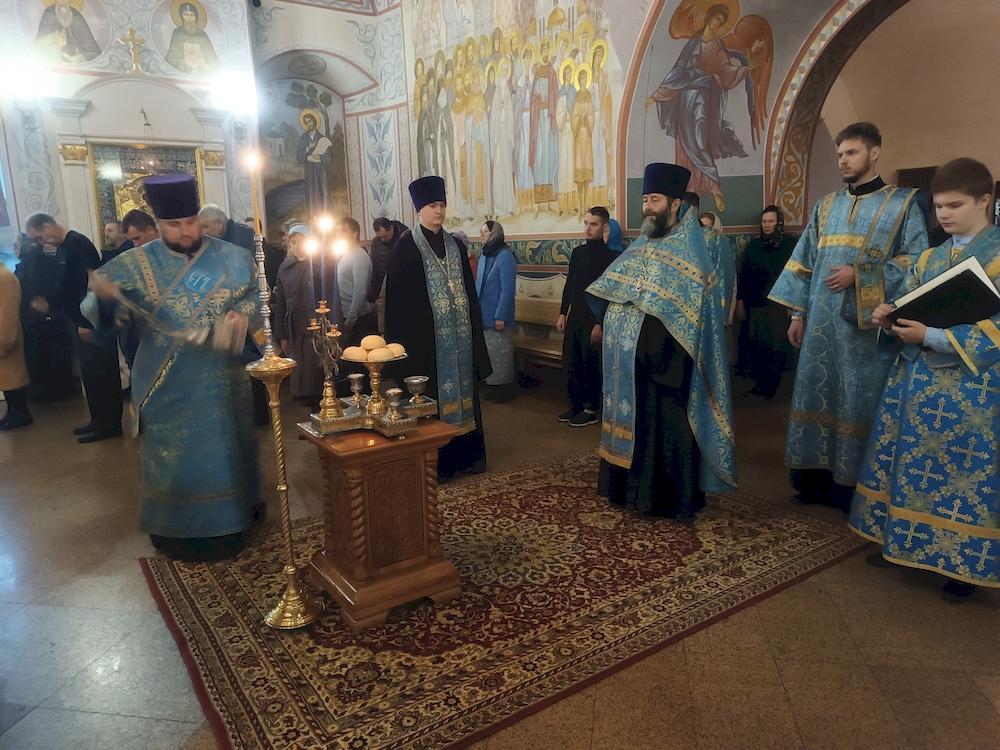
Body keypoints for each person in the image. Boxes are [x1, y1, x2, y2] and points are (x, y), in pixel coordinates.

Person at [90, 174, 263, 560]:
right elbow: (103, 319)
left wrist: (242, 315)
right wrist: (104, 301)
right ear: (157, 224)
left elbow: (257, 294)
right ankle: (176, 532)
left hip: (224, 382)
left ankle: (234, 522)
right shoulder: (132, 264)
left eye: (190, 222)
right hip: (166, 384)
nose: (185, 231)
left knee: (228, 453)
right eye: (173, 225)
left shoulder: (234, 258)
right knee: (174, 462)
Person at [852, 157, 1000, 601]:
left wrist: (934, 336)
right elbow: (909, 303)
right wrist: (889, 316)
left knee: (960, 476)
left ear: (984, 201)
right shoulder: (930, 257)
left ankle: (961, 564)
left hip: (972, 390)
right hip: (914, 383)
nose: (944, 215)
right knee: (907, 466)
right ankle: (901, 541)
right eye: (938, 207)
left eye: (955, 205)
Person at [768, 122, 928, 512]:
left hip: (865, 330)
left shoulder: (903, 203)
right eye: (839, 154)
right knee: (815, 395)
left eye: (851, 153)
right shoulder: (826, 206)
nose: (843, 160)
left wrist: (861, 275)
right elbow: (803, 262)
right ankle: (813, 480)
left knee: (858, 400)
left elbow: (916, 262)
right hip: (820, 327)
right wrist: (797, 313)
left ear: (874, 153)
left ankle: (852, 487)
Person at [588, 163, 736, 518]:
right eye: (645, 200)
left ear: (675, 204)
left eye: (654, 200)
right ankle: (626, 491)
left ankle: (665, 499)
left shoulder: (693, 251)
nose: (648, 207)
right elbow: (615, 288)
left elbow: (695, 309)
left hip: (668, 361)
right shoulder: (640, 246)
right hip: (631, 360)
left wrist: (654, 342)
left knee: (664, 426)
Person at [385, 176, 492, 478]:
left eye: (442, 205)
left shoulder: (456, 245)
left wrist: (476, 338)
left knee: (467, 399)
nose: (439, 211)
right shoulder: (405, 248)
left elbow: (470, 295)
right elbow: (397, 305)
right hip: (426, 345)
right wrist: (400, 351)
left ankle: (469, 460)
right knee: (430, 401)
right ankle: (439, 466)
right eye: (433, 205)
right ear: (419, 209)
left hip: (461, 343)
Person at [25, 213, 123, 443]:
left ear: (47, 227)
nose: (40, 243)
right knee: (90, 375)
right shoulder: (63, 248)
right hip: (77, 322)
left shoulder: (78, 244)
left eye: (39, 237)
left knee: (102, 373)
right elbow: (65, 285)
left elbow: (92, 286)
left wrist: (87, 323)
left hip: (91, 323)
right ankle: (97, 419)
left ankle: (109, 424)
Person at [557, 206, 617, 426]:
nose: (588, 228)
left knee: (590, 362)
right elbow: (570, 284)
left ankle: (591, 408)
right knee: (572, 359)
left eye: (594, 224)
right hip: (576, 314)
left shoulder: (611, 257)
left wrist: (600, 323)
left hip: (594, 318)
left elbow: (608, 294)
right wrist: (562, 312)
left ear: (604, 227)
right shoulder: (578, 253)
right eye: (586, 223)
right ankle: (575, 404)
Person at [736, 206, 796, 399]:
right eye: (764, 221)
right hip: (756, 305)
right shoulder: (754, 246)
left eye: (771, 221)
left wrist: (793, 304)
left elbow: (795, 276)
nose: (767, 225)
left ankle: (775, 388)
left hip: (779, 306)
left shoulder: (789, 245)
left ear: (779, 223)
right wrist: (740, 301)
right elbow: (744, 274)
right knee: (757, 345)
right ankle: (760, 385)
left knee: (776, 347)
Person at [272, 225, 329, 411]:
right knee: (302, 372)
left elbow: (328, 296)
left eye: (301, 241)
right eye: (293, 242)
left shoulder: (319, 265)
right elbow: (281, 303)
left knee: (317, 372)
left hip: (317, 326)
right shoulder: (285, 268)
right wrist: (282, 335)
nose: (297, 246)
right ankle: (311, 407)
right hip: (294, 328)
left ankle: (321, 408)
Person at [14, 233, 74, 402]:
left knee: (42, 358)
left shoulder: (32, 264)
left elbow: (34, 293)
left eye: (16, 244)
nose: (14, 248)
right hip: (46, 319)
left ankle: (46, 394)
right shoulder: (41, 260)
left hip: (37, 319)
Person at [475, 220, 517, 401]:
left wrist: (501, 316)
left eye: (485, 232)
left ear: (494, 234)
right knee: (490, 353)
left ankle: (505, 389)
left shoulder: (506, 256)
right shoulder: (485, 255)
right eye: (481, 232)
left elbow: (507, 290)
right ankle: (493, 386)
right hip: (484, 314)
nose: (481, 235)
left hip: (499, 316)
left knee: (501, 354)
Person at [337, 217, 377, 347]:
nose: (339, 234)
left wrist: (351, 319)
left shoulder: (359, 257)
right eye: (337, 231)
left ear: (354, 233)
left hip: (359, 319)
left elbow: (360, 291)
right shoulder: (345, 254)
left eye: (343, 230)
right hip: (347, 315)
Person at [0, 261, 31, 431]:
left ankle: (20, 413)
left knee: (12, 376)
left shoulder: (4, 277)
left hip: (6, 334)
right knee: (7, 378)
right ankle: (13, 412)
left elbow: (7, 311)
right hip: (4, 333)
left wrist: (5, 339)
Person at [369, 217, 408, 333]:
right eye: (380, 237)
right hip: (383, 288)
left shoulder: (405, 238)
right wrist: (374, 295)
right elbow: (375, 270)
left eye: (385, 236)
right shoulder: (376, 243)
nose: (383, 239)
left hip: (402, 288)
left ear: (391, 228)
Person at [164, 2, 220, 75]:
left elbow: (211, 56)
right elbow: (171, 56)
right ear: (181, 16)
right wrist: (183, 62)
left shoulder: (202, 35)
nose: (189, 18)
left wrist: (207, 67)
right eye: (186, 15)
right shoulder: (177, 33)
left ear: (196, 17)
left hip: (201, 73)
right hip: (181, 72)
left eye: (191, 15)